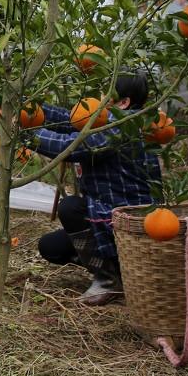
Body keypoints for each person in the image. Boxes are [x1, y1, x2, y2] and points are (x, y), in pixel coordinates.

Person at [29, 73, 160, 306]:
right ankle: (120, 271)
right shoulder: (108, 121)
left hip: (128, 222)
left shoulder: (125, 125)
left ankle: (109, 279)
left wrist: (25, 134)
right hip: (105, 216)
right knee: (51, 247)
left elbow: (71, 146)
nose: (99, 98)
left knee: (70, 208)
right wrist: (29, 108)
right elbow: (69, 119)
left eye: (105, 94)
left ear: (123, 103)